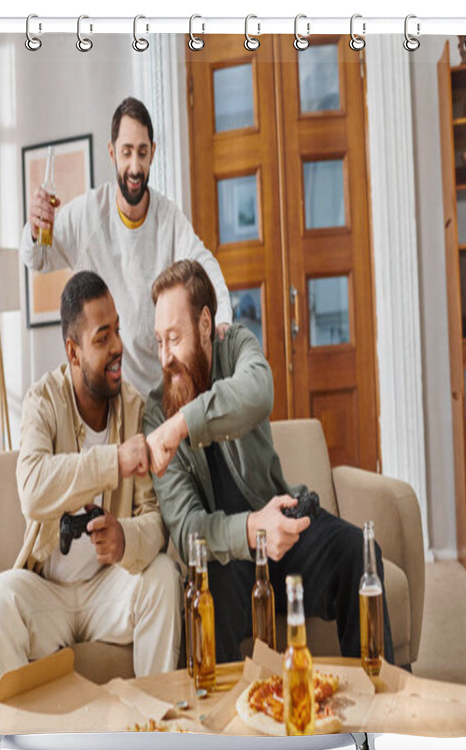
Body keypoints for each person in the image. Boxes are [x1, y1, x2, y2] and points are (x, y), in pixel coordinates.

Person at [142, 259, 394, 664]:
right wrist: (251, 528)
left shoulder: (237, 344)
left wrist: (180, 427)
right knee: (206, 597)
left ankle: (380, 709)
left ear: (206, 324)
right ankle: (222, 727)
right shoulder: (155, 414)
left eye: (174, 338)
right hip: (227, 552)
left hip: (284, 522)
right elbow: (188, 530)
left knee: (357, 554)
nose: (165, 356)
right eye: (159, 341)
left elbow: (258, 393)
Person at [0, 271, 180, 730]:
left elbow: (155, 519)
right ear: (72, 351)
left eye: (118, 331)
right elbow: (33, 489)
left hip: (109, 590)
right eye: (102, 338)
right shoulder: (42, 402)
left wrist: (126, 538)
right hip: (50, 594)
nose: (118, 348)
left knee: (163, 575)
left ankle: (156, 744)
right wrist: (112, 462)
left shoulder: (135, 409)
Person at [20, 96, 232, 398]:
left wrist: (222, 318)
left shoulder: (168, 218)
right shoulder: (88, 213)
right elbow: (36, 258)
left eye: (142, 153)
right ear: (112, 152)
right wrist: (35, 226)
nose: (135, 166)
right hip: (106, 396)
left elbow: (204, 264)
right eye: (127, 152)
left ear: (153, 153)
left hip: (156, 391)